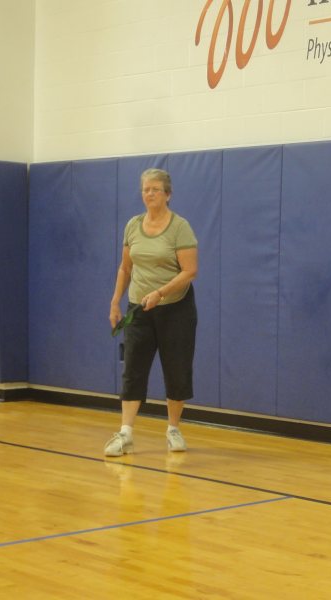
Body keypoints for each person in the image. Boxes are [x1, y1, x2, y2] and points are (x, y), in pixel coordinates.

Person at [105, 168, 198, 457]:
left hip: (175, 309)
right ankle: (126, 433)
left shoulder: (180, 227)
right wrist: (115, 301)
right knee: (133, 367)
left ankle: (173, 429)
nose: (149, 193)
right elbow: (125, 267)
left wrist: (160, 293)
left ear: (167, 194)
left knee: (176, 368)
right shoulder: (133, 225)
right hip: (139, 309)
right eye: (146, 189)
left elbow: (190, 271)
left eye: (155, 189)